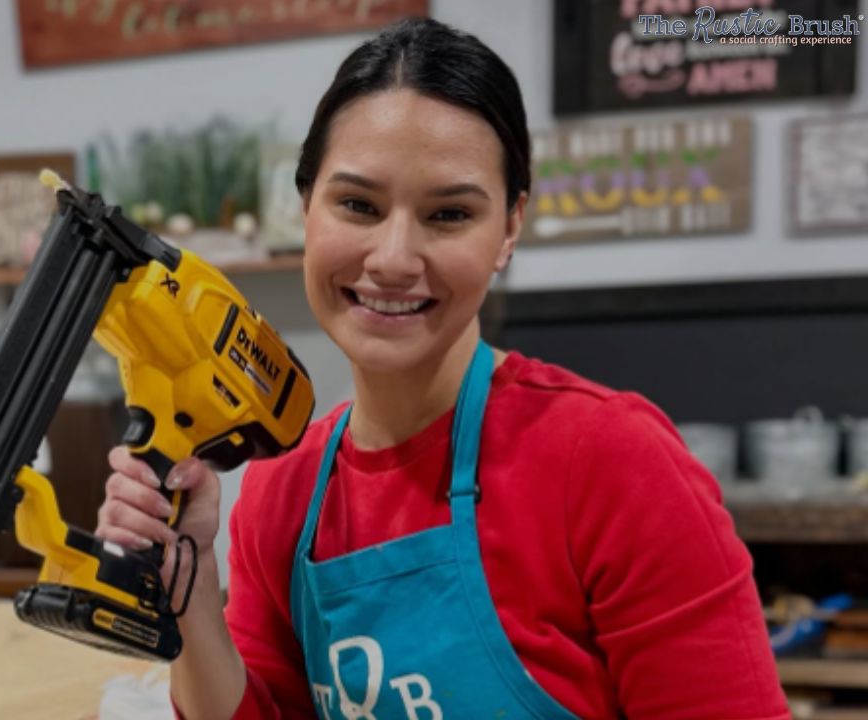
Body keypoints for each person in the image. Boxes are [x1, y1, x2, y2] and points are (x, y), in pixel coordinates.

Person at [97, 17, 788, 720]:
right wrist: (190, 585)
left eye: (449, 214)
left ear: (509, 228)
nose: (393, 258)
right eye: (357, 205)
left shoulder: (612, 463)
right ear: (306, 207)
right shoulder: (283, 487)